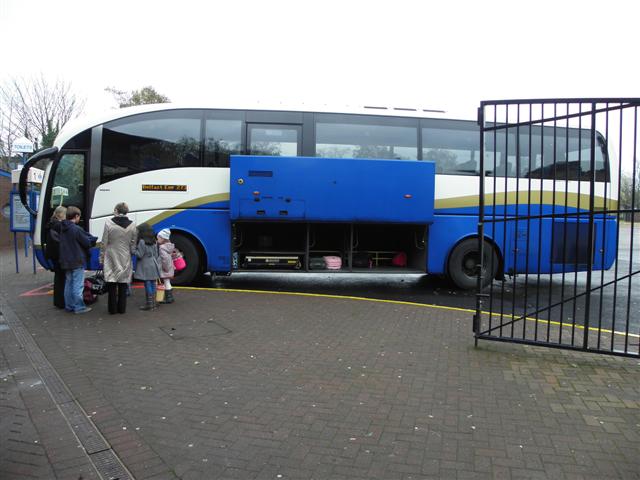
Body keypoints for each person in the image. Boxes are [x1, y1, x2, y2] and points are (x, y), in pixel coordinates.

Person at [58, 206, 97, 314]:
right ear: (76, 216)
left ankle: (69, 305)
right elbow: (87, 242)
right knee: (77, 285)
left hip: (66, 260)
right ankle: (79, 307)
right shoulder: (76, 229)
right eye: (79, 216)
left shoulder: (62, 227)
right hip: (76, 260)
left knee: (68, 284)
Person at [100, 202, 137, 314]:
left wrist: (101, 258)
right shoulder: (133, 225)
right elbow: (133, 243)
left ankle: (112, 309)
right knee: (123, 283)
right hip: (125, 255)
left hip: (111, 255)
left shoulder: (108, 223)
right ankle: (122, 309)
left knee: (111, 282)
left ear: (116, 210)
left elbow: (104, 242)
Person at [134, 223, 161, 311]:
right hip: (153, 263)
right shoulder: (154, 240)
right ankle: (153, 303)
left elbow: (140, 255)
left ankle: (149, 304)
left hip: (145, 265)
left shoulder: (142, 241)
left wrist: (133, 250)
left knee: (147, 283)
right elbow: (156, 255)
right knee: (153, 282)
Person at [45, 206, 67, 309]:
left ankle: (58, 301)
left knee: (58, 278)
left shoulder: (51, 223)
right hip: (59, 254)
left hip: (53, 254)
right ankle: (62, 301)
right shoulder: (59, 225)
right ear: (61, 214)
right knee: (62, 278)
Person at [156, 228, 175, 304]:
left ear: (163, 238)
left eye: (159, 238)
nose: (157, 239)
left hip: (165, 268)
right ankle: (170, 297)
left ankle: (169, 298)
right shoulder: (169, 246)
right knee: (168, 282)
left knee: (166, 282)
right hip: (169, 267)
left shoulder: (162, 248)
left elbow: (165, 259)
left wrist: (165, 268)